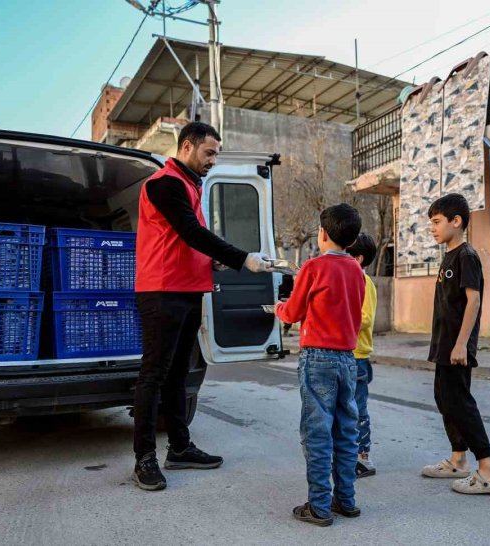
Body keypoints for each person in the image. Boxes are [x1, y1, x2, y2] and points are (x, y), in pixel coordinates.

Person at [132, 122, 273, 492]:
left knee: (180, 373)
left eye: (216, 154)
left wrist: (212, 263)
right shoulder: (164, 184)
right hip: (162, 291)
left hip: (188, 290)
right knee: (154, 374)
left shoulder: (190, 186)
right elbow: (191, 233)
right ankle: (144, 457)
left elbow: (186, 244)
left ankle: (179, 448)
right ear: (187, 146)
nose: (213, 161)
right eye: (209, 153)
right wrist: (243, 258)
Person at [276, 204, 365, 527]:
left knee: (317, 433)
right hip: (347, 359)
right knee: (346, 430)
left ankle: (319, 506)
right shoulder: (357, 271)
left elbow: (293, 312)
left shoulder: (312, 268)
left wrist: (277, 307)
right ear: (352, 241)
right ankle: (346, 500)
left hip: (317, 359)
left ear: (323, 234)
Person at [421, 193, 490, 495]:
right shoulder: (449, 255)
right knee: (445, 399)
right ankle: (458, 459)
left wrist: (460, 345)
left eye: (437, 222)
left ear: (456, 222)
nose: (432, 228)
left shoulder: (466, 256)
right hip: (444, 344)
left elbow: (474, 300)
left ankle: (488, 468)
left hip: (456, 346)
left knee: (460, 403)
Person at [346, 233, 378, 479]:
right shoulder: (350, 279)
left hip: (357, 355)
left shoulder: (363, 281)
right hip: (346, 353)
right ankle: (349, 454)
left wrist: (337, 321)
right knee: (347, 408)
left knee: (358, 408)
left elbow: (365, 318)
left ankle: (363, 457)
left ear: (357, 258)